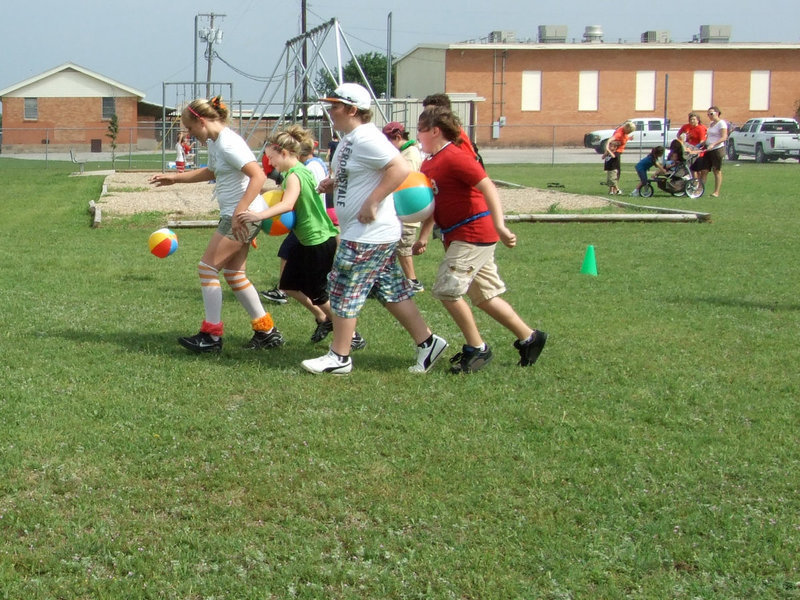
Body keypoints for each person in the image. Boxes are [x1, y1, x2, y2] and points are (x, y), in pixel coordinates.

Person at [302, 83, 448, 375]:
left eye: (335, 106)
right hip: (367, 233)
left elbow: (399, 168)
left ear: (352, 109)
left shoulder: (367, 138)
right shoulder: (349, 139)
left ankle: (340, 356)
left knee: (342, 290)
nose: (330, 112)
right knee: (392, 291)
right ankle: (428, 342)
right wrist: (335, 183)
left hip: (367, 233)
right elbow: (362, 172)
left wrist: (373, 201)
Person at [413, 106, 547, 374]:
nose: (417, 135)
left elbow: (487, 186)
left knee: (447, 289)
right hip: (457, 236)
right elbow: (435, 203)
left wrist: (500, 225)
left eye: (420, 129)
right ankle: (529, 338)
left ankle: (477, 349)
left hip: (473, 234)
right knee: (485, 296)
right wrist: (424, 235)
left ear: (435, 130)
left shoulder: (454, 156)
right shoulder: (429, 162)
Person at [149, 96, 283, 353]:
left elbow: (258, 175)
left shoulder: (229, 143)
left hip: (240, 215)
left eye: (189, 128)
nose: (188, 134)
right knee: (234, 274)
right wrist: (174, 178)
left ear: (201, 120)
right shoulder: (216, 142)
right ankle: (266, 331)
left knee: (207, 268)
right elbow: (211, 172)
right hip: (238, 214)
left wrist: (240, 211)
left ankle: (211, 336)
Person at [237, 125, 345, 346]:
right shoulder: (300, 170)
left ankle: (349, 334)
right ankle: (324, 318)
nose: (270, 163)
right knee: (288, 285)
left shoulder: (294, 175)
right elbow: (285, 197)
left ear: (284, 153)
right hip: (309, 239)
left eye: (271, 158)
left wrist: (258, 215)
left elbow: (287, 204)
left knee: (318, 293)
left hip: (318, 239)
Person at [382, 121, 425, 292]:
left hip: (408, 209)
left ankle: (413, 281)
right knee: (395, 247)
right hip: (400, 209)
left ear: (398, 137)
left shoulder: (411, 154)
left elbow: (407, 181)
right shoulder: (404, 153)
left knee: (404, 247)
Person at [421, 93, 483, 165]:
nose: (426, 117)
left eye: (430, 113)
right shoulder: (439, 134)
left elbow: (469, 163)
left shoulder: (455, 134)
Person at [691, 106, 728, 197]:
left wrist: (714, 144)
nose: (709, 116)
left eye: (711, 114)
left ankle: (716, 192)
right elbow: (709, 137)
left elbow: (724, 137)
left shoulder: (721, 123)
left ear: (717, 113)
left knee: (716, 170)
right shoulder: (711, 124)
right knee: (704, 170)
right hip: (708, 149)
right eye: (708, 114)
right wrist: (701, 144)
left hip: (717, 149)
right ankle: (699, 190)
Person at [604, 121, 636, 193]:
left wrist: (629, 138)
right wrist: (607, 147)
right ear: (626, 128)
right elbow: (610, 140)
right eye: (629, 131)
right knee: (615, 172)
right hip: (616, 153)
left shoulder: (623, 132)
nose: (629, 133)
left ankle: (612, 190)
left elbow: (623, 138)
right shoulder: (619, 133)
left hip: (616, 153)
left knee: (614, 171)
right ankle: (615, 190)